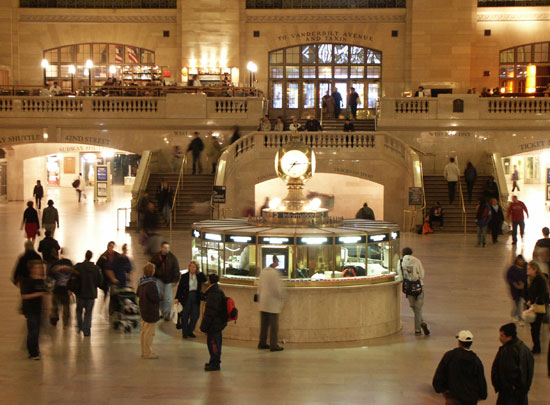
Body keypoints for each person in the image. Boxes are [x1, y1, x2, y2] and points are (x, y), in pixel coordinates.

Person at [432, 330, 487, 404]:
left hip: (453, 397)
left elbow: (440, 373)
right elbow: (480, 379)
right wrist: (482, 395)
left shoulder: (450, 356)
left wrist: (441, 389)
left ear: (459, 342)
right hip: (470, 399)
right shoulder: (476, 360)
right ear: (471, 343)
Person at [491, 323, 534, 404]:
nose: (499, 338)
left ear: (509, 337)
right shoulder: (523, 347)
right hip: (520, 392)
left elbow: (507, 372)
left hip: (509, 394)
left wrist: (509, 386)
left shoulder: (508, 351)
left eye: (502, 336)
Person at [400, 247, 430, 336]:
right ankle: (418, 328)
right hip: (419, 286)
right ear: (411, 253)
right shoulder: (417, 260)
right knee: (418, 308)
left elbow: (401, 275)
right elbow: (422, 274)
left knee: (413, 306)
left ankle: (421, 324)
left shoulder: (400, 262)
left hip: (408, 287)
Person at [257, 256, 285, 352]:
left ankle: (262, 342)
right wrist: (281, 297)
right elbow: (277, 289)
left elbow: (259, 285)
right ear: (275, 261)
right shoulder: (275, 273)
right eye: (278, 262)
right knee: (274, 325)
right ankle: (273, 345)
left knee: (264, 324)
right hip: (273, 302)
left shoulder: (263, 271)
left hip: (263, 301)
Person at [200, 273, 227, 371]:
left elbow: (210, 311)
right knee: (214, 343)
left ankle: (215, 364)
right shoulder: (214, 290)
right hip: (217, 323)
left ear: (210, 281)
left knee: (214, 344)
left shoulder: (213, 293)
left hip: (214, 324)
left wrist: (204, 326)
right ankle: (213, 361)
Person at [20, 260, 47, 360]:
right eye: (37, 267)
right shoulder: (27, 281)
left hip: (38, 310)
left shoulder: (41, 281)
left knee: (36, 331)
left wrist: (46, 309)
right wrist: (38, 294)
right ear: (32, 269)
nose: (39, 269)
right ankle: (33, 352)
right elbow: (24, 296)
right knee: (33, 331)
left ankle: (35, 350)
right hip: (30, 310)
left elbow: (44, 295)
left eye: (40, 267)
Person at [74, 250, 103, 337]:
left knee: (79, 311)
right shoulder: (96, 268)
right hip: (91, 294)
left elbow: (73, 277)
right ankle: (87, 330)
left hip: (80, 293)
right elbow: (100, 282)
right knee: (88, 313)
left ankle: (79, 326)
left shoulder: (78, 267)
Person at [175, 260, 206, 338]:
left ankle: (190, 330)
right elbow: (180, 287)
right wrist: (177, 298)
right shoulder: (185, 276)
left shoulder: (198, 276)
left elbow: (205, 278)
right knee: (185, 315)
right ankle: (185, 333)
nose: (192, 268)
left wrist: (200, 271)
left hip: (195, 296)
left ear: (196, 268)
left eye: (194, 267)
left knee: (196, 315)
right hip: (186, 296)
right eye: (191, 266)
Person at [151, 241, 181, 321]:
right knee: (159, 296)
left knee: (168, 298)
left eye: (168, 248)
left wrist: (176, 280)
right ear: (161, 248)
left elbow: (176, 269)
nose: (167, 249)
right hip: (159, 279)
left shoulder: (172, 258)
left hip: (169, 280)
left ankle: (166, 313)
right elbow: (151, 266)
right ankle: (162, 311)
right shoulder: (156, 257)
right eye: (165, 247)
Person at [137, 262, 161, 359]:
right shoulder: (151, 283)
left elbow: (137, 293)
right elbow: (155, 297)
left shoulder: (141, 282)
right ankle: (147, 353)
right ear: (152, 271)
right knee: (149, 333)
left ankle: (144, 351)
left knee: (143, 331)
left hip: (143, 309)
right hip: (150, 310)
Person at [525, 261, 548, 354]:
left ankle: (537, 348)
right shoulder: (531, 279)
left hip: (539, 307)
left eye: (529, 268)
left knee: (535, 328)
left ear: (535, 270)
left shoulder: (540, 280)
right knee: (533, 328)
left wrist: (533, 301)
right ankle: (536, 346)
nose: (527, 270)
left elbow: (542, 294)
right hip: (534, 306)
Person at [48, 250, 74, 328]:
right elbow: (73, 278)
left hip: (56, 290)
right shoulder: (70, 264)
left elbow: (50, 277)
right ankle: (65, 323)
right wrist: (71, 289)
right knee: (66, 307)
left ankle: (54, 321)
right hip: (66, 290)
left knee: (55, 307)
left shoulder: (55, 264)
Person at [506, 255, 527, 324]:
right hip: (515, 290)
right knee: (518, 303)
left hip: (523, 290)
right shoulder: (512, 268)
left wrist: (524, 284)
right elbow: (508, 277)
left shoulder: (526, 268)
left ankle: (513, 315)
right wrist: (514, 284)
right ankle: (520, 318)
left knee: (519, 304)